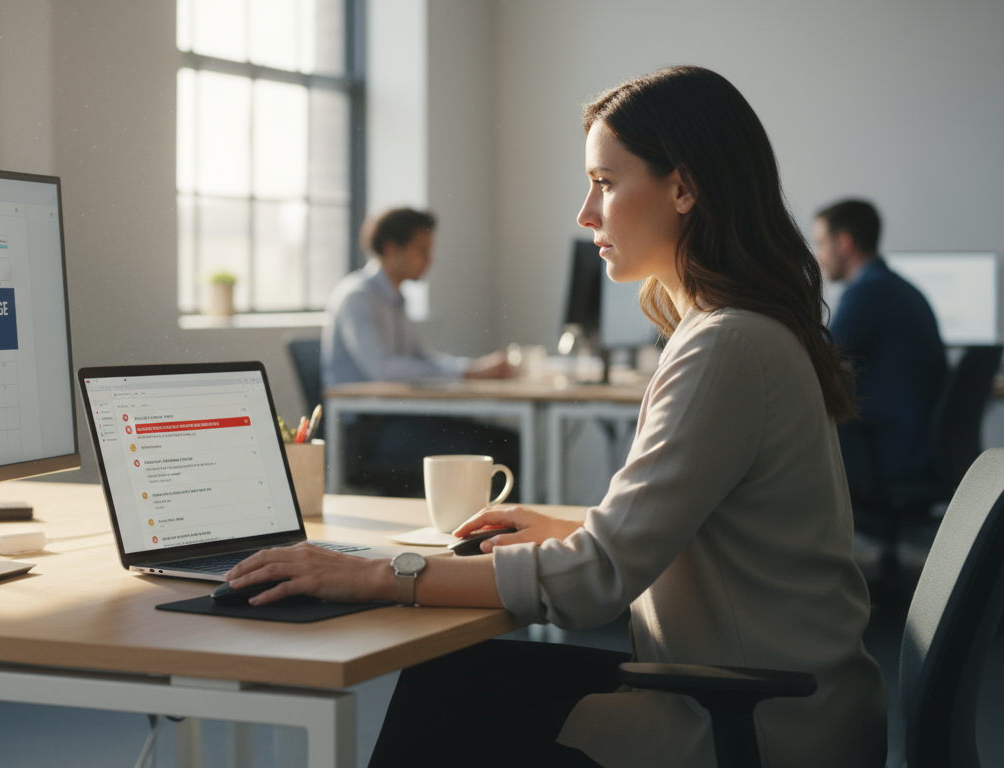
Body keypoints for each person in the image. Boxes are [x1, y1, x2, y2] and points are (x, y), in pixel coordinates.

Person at [229, 66, 887, 767]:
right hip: (770, 692)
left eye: (604, 183)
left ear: (684, 188)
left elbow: (596, 580)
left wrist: (376, 574)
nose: (585, 213)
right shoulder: (737, 332)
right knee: (451, 681)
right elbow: (699, 532)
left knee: (453, 719)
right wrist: (570, 530)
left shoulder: (725, 346)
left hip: (753, 720)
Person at [322, 208, 520, 497]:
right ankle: (486, 525)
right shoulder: (358, 297)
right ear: (391, 248)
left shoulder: (394, 298)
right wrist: (467, 373)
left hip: (398, 418)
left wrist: (473, 368)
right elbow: (383, 369)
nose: (430, 260)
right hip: (367, 433)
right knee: (496, 447)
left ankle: (490, 523)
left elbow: (422, 360)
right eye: (422, 250)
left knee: (505, 441)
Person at [812, 199, 946, 496]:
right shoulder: (895, 287)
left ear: (844, 243)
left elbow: (817, 355)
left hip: (889, 448)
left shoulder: (869, 293)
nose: (818, 256)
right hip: (915, 445)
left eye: (821, 244)